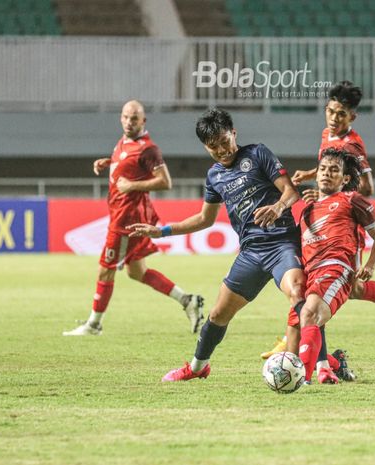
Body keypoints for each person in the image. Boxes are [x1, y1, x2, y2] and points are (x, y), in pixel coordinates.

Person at [127, 108, 306, 382]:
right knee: (218, 314)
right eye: (213, 147)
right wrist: (161, 231)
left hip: (282, 245)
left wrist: (278, 206)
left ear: (234, 134)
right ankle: (197, 368)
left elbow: (291, 191)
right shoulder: (214, 176)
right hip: (251, 254)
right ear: (205, 147)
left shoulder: (257, 154)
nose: (222, 150)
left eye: (225, 141)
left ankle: (297, 369)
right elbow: (203, 219)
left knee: (298, 295)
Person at [262, 81, 375, 369]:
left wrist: (331, 197)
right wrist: (315, 173)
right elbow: (331, 163)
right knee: (352, 288)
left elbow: (368, 187)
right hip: (330, 208)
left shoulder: (352, 145)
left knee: (352, 285)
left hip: (347, 219)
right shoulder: (328, 134)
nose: (334, 118)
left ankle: (306, 342)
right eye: (331, 111)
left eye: (341, 114)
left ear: (352, 117)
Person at [63, 100, 204, 336]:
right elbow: (129, 165)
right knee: (136, 272)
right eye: (126, 117)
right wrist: (109, 163)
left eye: (135, 118)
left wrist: (132, 185)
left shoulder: (148, 149)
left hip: (127, 220)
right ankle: (188, 300)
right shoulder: (124, 143)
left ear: (143, 121)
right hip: (123, 214)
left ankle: (94, 325)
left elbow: (165, 182)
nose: (130, 122)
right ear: (121, 118)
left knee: (105, 270)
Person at [293, 148, 375, 383]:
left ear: (345, 179)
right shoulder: (308, 209)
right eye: (323, 169)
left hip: (337, 268)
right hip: (312, 273)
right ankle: (334, 363)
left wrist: (370, 266)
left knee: (310, 314)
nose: (326, 173)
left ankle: (302, 379)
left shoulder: (352, 199)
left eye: (334, 170)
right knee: (306, 323)